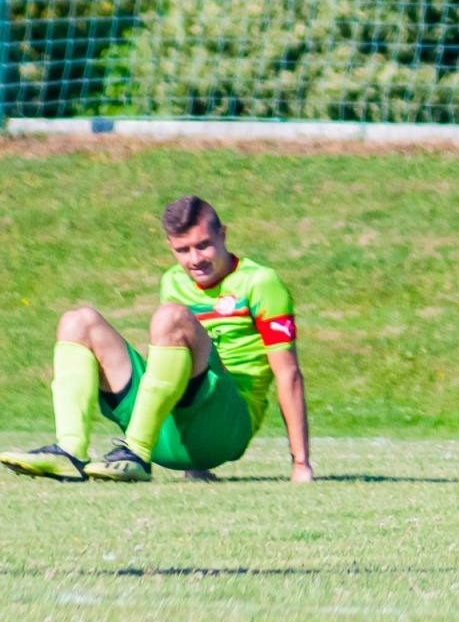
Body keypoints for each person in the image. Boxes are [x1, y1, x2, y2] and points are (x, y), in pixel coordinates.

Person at [0, 195, 314, 483]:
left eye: (203, 244)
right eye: (182, 250)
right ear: (170, 246)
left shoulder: (261, 282)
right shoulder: (173, 281)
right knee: (77, 322)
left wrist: (300, 463)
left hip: (227, 429)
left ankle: (135, 450)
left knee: (171, 316)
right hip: (166, 433)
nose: (194, 259)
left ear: (224, 235)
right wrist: (194, 467)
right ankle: (70, 451)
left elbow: (289, 374)